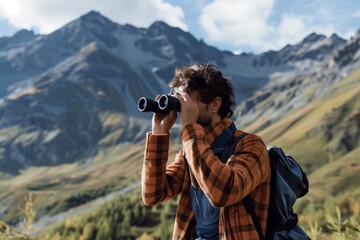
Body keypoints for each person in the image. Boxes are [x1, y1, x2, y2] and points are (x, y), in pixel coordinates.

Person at [141, 63, 271, 239]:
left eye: (189, 102)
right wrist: (159, 134)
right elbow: (152, 194)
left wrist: (190, 130)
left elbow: (224, 193)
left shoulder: (251, 146)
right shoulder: (190, 152)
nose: (184, 110)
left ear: (215, 105)